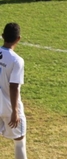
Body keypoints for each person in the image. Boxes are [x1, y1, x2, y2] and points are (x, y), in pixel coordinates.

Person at [0, 23, 26, 159]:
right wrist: (15, 111)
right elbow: (14, 86)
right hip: (8, 107)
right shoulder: (16, 60)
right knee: (19, 139)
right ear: (18, 38)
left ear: (2, 36)